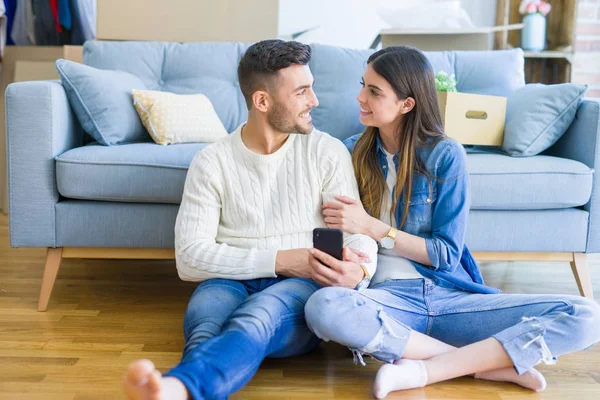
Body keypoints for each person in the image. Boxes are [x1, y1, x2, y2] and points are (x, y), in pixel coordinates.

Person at [304, 45, 600, 399]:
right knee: (323, 307)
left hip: (450, 296)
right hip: (386, 300)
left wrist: (371, 226)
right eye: (363, 85)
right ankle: (480, 364)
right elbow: (323, 231)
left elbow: (445, 255)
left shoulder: (445, 154)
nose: (360, 96)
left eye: (374, 90)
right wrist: (336, 265)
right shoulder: (349, 152)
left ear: (407, 104)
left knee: (585, 314)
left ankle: (422, 368)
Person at [122, 40, 378, 400]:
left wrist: (361, 271)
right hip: (229, 280)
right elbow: (190, 258)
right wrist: (280, 259)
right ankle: (178, 391)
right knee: (205, 327)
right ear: (262, 101)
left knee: (258, 317)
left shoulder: (326, 151)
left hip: (302, 284)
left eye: (312, 88)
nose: (314, 102)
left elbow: (356, 234)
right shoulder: (212, 162)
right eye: (302, 92)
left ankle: (175, 388)